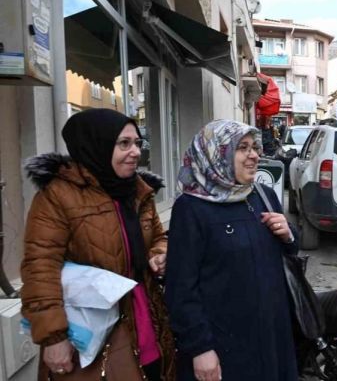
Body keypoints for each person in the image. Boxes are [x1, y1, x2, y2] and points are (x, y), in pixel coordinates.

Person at [20, 108, 175, 380]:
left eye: (138, 143)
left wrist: (159, 254)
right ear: (96, 145)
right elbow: (40, 267)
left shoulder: (139, 191)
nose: (136, 152)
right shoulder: (58, 196)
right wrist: (53, 337)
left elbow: (159, 237)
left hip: (145, 316)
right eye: (124, 144)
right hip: (90, 330)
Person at [165, 120, 299, 381]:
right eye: (242, 148)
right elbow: (181, 288)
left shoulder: (263, 194)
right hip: (225, 344)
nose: (254, 155)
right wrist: (200, 348)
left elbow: (286, 253)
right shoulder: (191, 208)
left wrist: (289, 234)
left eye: (255, 148)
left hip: (272, 335)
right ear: (216, 153)